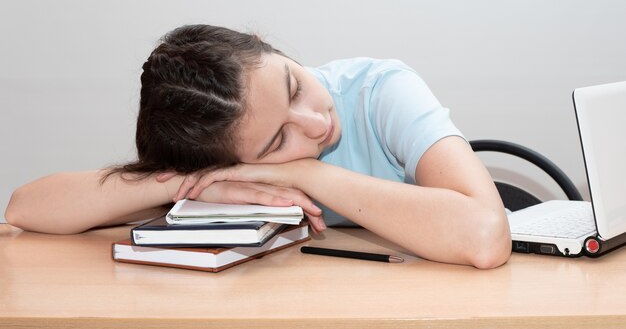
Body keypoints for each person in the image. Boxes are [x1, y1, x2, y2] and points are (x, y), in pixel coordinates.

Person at [5, 24, 511, 268]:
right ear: (232, 162)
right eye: (277, 142)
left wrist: (306, 174)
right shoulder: (225, 161)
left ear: (274, 50)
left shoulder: (380, 91)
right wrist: (193, 181)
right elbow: (24, 207)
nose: (315, 123)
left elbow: (486, 237)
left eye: (294, 85)